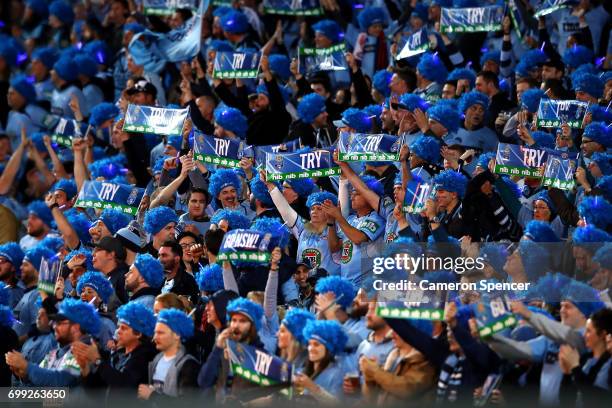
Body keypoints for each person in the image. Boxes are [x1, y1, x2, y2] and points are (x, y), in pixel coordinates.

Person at [6, 298, 100, 387]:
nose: (53, 325)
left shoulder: (85, 350)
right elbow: (43, 379)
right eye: (54, 322)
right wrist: (25, 375)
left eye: (59, 323)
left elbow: (60, 379)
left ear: (76, 327)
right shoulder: (55, 352)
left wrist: (27, 367)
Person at [75, 301, 157, 403]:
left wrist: (97, 360)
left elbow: (124, 386)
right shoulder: (118, 354)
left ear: (138, 333)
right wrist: (85, 369)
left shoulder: (145, 355)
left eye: (123, 328)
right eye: (118, 327)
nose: (118, 331)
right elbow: (99, 393)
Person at [137, 308, 199, 402]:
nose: (155, 337)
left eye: (160, 333)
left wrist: (152, 395)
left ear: (177, 335)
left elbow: (187, 403)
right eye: (155, 333)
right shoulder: (156, 360)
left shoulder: (189, 364)